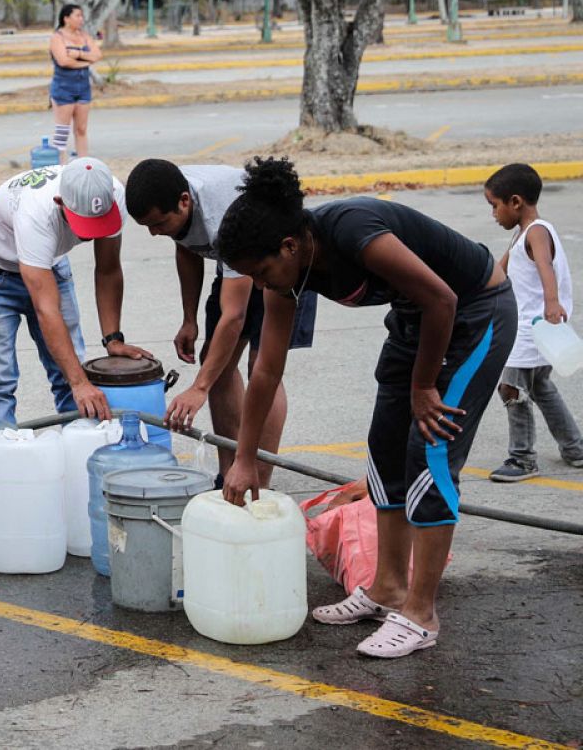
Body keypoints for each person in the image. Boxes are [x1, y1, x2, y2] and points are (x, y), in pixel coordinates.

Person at [217, 158, 515, 659]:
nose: (261, 284)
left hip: (475, 314)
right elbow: (266, 371)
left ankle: (420, 613)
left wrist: (424, 386)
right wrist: (246, 458)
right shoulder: (289, 275)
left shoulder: (353, 230)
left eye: (261, 271)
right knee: (384, 450)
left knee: (430, 450)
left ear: (289, 246)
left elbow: (442, 298)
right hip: (416, 321)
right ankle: (387, 589)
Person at [125, 159, 318, 487]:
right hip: (239, 264)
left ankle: (259, 479)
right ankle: (229, 474)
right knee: (217, 363)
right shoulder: (172, 195)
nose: (154, 233)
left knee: (262, 367)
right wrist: (189, 319)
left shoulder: (220, 215)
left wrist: (199, 388)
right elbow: (186, 247)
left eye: (158, 223)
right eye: (147, 227)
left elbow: (234, 315)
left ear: (184, 201)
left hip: (283, 263)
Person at [0, 157, 150, 424]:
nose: (89, 235)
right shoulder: (35, 213)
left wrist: (113, 339)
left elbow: (108, 269)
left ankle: (78, 453)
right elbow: (46, 308)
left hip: (49, 261)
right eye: (85, 224)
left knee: (72, 372)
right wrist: (78, 384)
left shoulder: (113, 194)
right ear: (60, 202)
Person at [483, 163, 581, 480]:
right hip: (531, 326)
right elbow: (499, 270)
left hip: (533, 326)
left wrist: (551, 303)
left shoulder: (537, 231)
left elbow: (544, 267)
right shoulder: (521, 235)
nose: (493, 214)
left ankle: (522, 458)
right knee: (540, 386)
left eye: (494, 206)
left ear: (515, 202)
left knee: (511, 387)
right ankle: (575, 448)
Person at [47, 4, 101, 159]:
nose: (81, 19)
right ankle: (60, 166)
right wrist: (86, 61)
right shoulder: (57, 37)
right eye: (77, 16)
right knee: (62, 131)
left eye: (81, 16)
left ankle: (83, 163)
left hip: (83, 87)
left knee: (81, 129)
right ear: (66, 18)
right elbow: (63, 61)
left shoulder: (84, 36)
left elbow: (97, 55)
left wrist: (76, 53)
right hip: (64, 87)